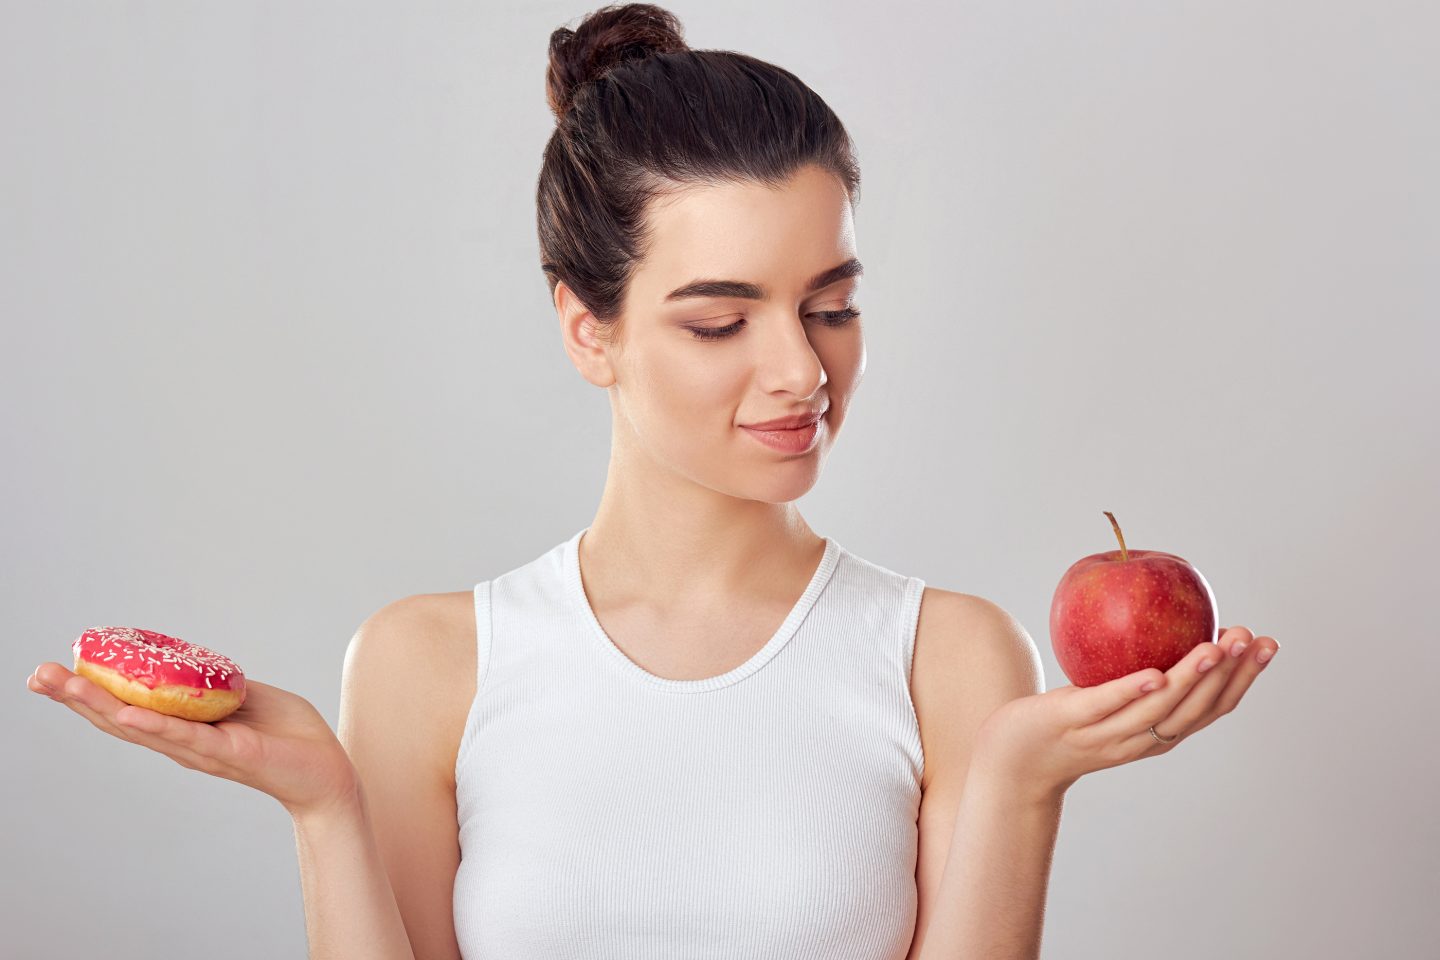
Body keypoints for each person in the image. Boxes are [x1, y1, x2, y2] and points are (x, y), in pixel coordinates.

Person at [26, 4, 1280, 959]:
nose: (803, 368)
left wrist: (1019, 781)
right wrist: (323, 812)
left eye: (831, 304)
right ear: (591, 331)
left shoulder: (951, 656)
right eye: (719, 322)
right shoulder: (425, 663)